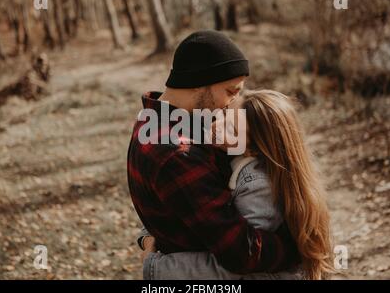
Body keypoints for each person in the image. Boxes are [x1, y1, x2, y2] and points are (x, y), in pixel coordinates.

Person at [127, 30, 300, 278]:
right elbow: (241, 253)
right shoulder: (176, 153)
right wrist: (296, 247)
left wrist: (148, 237)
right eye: (231, 91)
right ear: (198, 83)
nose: (235, 102)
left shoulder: (157, 120)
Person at [140, 90, 334, 280]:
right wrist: (149, 235)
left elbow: (241, 263)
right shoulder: (228, 154)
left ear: (254, 149)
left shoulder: (258, 186)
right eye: (225, 114)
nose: (216, 125)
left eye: (231, 130)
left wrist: (158, 269)